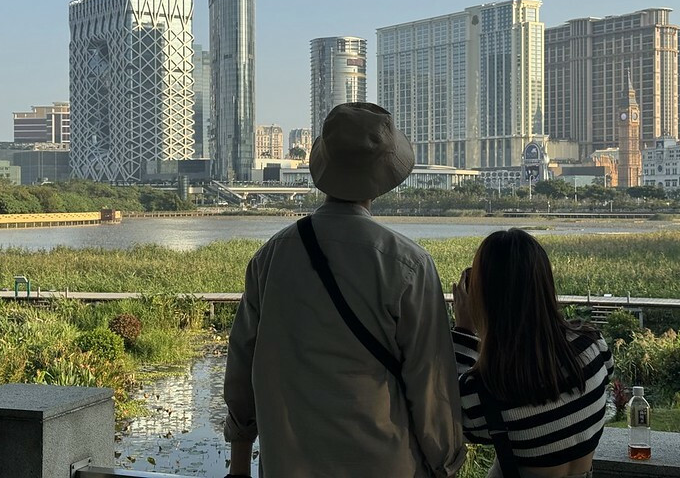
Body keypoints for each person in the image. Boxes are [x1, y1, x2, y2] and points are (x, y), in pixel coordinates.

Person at [223, 102, 465, 478]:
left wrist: (239, 470)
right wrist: (446, 466)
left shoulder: (269, 258)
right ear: (383, 176)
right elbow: (432, 389)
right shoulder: (408, 265)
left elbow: (241, 371)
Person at [451, 229, 614, 478]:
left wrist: (464, 330)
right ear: (545, 283)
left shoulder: (486, 390)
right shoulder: (592, 345)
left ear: (483, 297)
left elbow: (448, 418)